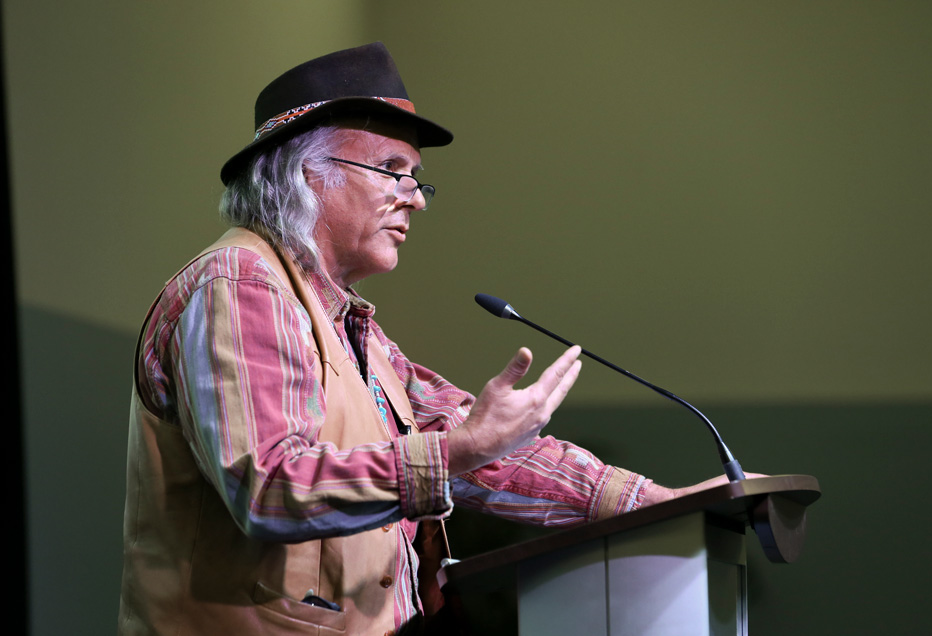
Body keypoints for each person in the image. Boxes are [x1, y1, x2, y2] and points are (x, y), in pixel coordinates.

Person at [119, 42, 724, 636]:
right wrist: (461, 451)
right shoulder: (242, 284)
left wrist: (655, 502)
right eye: (391, 171)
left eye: (417, 179)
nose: (415, 199)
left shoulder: (346, 322)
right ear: (307, 172)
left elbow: (472, 445)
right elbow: (270, 487)